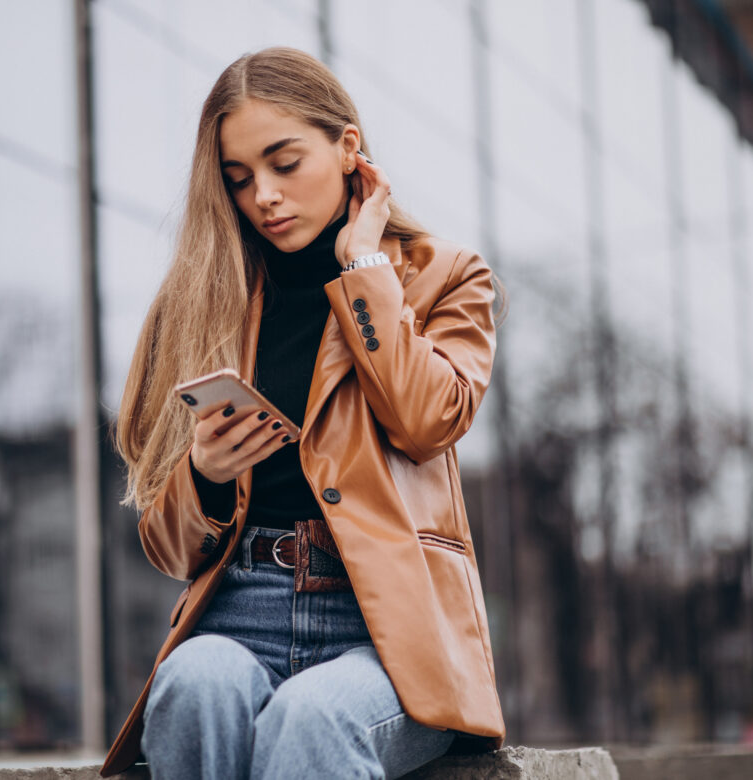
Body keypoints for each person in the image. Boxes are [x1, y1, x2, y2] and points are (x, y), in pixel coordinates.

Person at [100, 46, 506, 779]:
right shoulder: (197, 301)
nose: (264, 196)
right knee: (190, 685)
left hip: (387, 629)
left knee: (312, 716)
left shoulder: (443, 276)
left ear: (348, 148)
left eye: (285, 164)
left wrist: (364, 269)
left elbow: (427, 422)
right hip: (238, 614)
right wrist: (205, 475)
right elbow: (167, 548)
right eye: (238, 178)